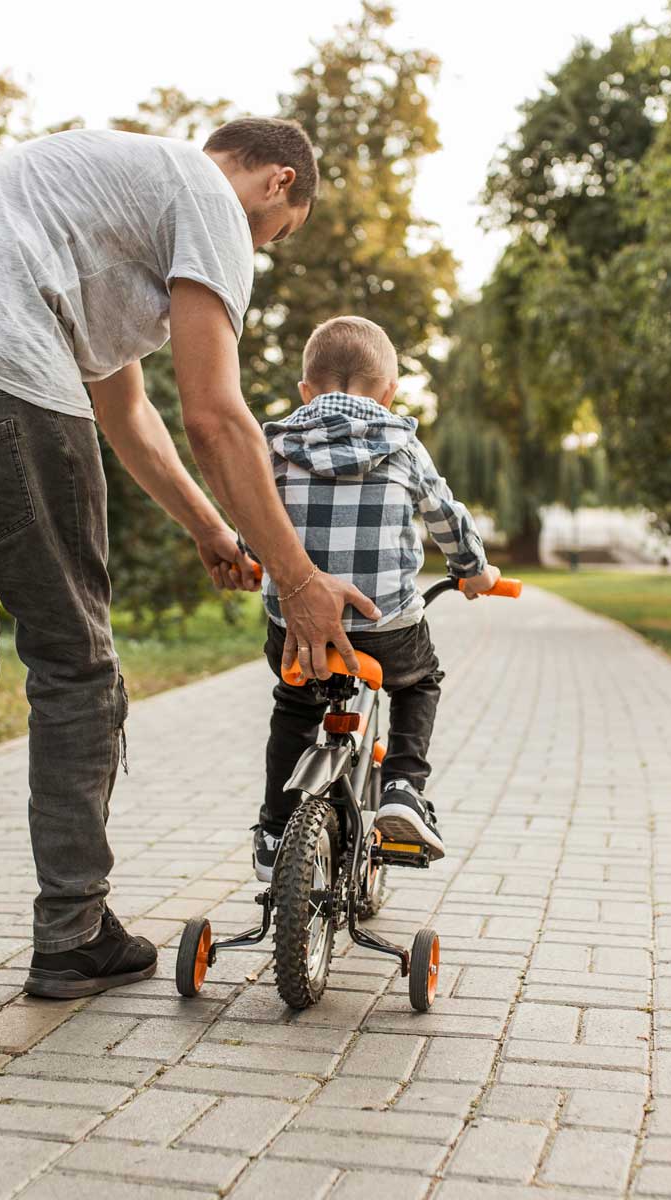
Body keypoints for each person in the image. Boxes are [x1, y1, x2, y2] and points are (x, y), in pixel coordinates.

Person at [0, 118, 384, 1039]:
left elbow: (128, 408)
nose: (256, 257)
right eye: (274, 241)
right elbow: (215, 414)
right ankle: (72, 930)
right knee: (76, 668)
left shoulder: (98, 198)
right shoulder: (206, 196)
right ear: (277, 183)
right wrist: (301, 576)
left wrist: (211, 527)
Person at [251, 316, 501, 882]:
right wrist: (474, 572)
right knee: (419, 681)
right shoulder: (402, 444)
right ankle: (403, 789)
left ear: (306, 392)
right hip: (383, 622)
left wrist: (250, 555)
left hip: (295, 625)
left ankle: (273, 830)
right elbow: (446, 519)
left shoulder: (276, 443)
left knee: (294, 705)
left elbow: (254, 519)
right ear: (389, 393)